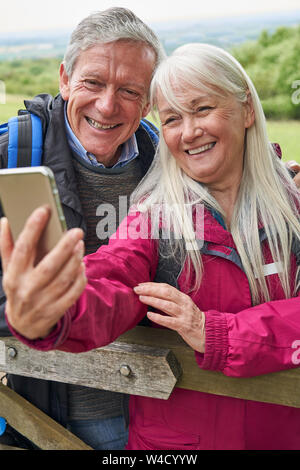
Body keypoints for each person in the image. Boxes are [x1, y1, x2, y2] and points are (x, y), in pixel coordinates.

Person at [2, 44, 300, 449]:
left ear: (247, 110)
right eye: (173, 118)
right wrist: (53, 310)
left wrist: (216, 334)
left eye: (202, 108)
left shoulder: (291, 207)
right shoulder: (155, 216)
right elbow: (112, 277)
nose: (189, 131)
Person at [0, 7, 165, 449]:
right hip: (45, 410)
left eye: (129, 90)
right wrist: (24, 307)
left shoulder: (163, 159)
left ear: (148, 101)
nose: (107, 105)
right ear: (64, 79)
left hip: (156, 404)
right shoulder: (14, 154)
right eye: (93, 82)